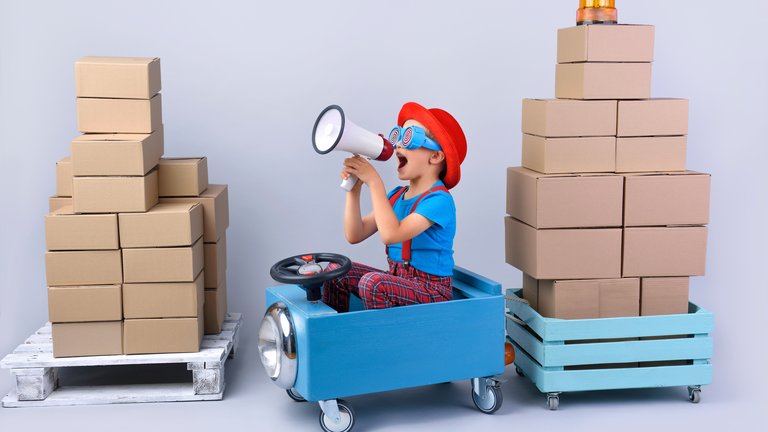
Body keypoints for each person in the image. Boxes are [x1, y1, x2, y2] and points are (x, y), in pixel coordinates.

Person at [322, 102, 467, 312]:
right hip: (398, 281)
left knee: (373, 283)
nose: (399, 144)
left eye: (409, 137)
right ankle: (336, 338)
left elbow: (391, 234)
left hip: (432, 291)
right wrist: (354, 190)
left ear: (436, 156)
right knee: (337, 271)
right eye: (399, 135)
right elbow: (355, 234)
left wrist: (374, 182)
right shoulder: (396, 196)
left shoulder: (439, 200)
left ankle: (384, 342)